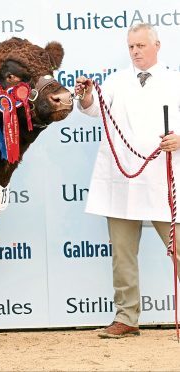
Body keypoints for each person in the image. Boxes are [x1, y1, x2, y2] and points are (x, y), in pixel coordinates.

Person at [75, 23, 180, 338]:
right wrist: (86, 96)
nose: (135, 51)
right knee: (122, 253)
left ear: (156, 45)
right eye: (131, 46)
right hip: (122, 178)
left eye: (141, 46)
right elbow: (94, 110)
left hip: (164, 177)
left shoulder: (175, 80)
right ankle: (126, 317)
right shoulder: (116, 81)